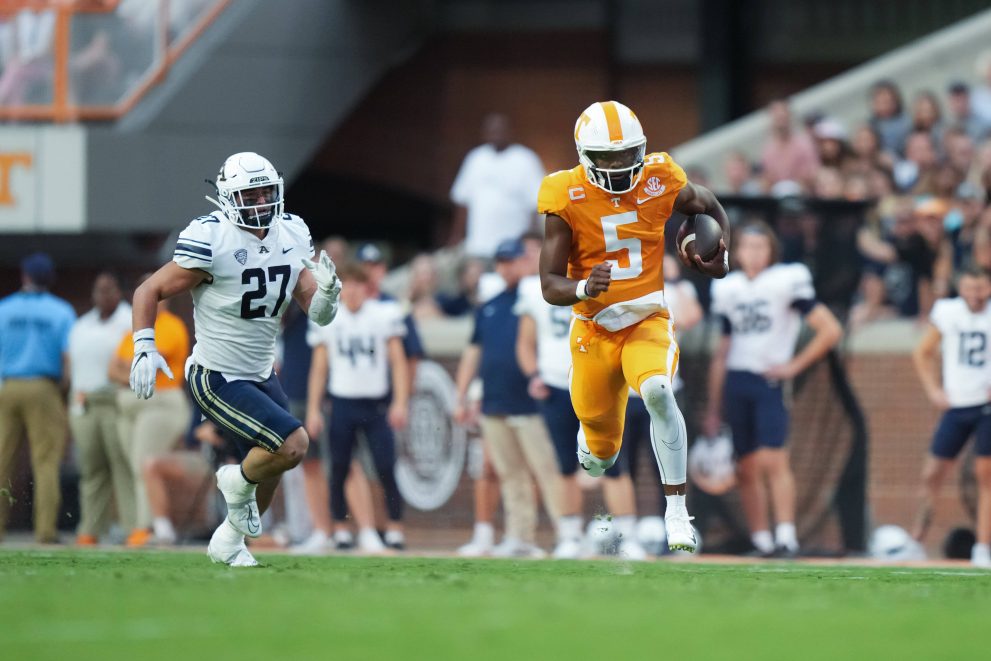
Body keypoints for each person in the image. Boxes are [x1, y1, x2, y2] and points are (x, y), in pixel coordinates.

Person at [127, 152, 342, 567]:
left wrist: (330, 295)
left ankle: (229, 539)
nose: (261, 201)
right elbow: (147, 290)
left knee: (274, 465)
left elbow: (318, 312)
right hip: (216, 374)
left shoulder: (291, 232)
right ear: (228, 198)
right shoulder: (213, 239)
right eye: (251, 193)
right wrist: (143, 346)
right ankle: (234, 480)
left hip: (261, 372)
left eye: (266, 192)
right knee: (292, 445)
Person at [538, 100, 731, 552]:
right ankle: (596, 439)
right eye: (609, 157)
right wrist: (585, 287)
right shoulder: (565, 194)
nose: (622, 164)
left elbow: (709, 204)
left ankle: (678, 512)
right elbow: (548, 284)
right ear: (586, 156)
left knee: (661, 392)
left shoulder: (660, 176)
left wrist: (722, 253)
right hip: (594, 329)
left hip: (647, 319)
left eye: (629, 153)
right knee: (600, 459)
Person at [704, 222, 842, 557]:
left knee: (773, 460)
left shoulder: (785, 281)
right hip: (737, 380)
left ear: (772, 251)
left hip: (769, 381)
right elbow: (722, 351)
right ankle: (761, 540)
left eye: (760, 246)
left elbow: (830, 330)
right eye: (747, 246)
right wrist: (712, 406)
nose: (753, 253)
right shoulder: (729, 287)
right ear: (736, 252)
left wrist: (794, 366)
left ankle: (786, 536)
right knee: (746, 467)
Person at [515, 257, 648, 560]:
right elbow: (525, 341)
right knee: (564, 464)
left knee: (614, 463)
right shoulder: (536, 289)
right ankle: (569, 536)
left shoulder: (606, 278)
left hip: (598, 383)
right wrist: (533, 374)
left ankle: (628, 536)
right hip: (556, 383)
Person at [454, 238, 561, 557]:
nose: (506, 267)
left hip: (531, 400)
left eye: (512, 260)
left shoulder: (540, 298)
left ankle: (566, 533)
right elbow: (474, 352)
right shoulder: (491, 304)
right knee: (510, 472)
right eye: (501, 262)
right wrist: (463, 394)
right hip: (495, 398)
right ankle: (520, 537)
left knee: (546, 470)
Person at [306, 263, 409, 551]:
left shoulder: (382, 315)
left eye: (357, 285)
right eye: (347, 285)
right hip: (342, 402)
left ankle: (395, 527)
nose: (352, 292)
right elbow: (319, 369)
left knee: (386, 465)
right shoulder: (329, 317)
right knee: (338, 467)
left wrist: (400, 401)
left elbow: (398, 362)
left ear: (367, 288)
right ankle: (340, 527)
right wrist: (313, 409)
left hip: (375, 403)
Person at [910, 266, 991, 568]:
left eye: (981, 288)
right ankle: (915, 540)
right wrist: (933, 389)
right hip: (957, 404)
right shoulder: (948, 311)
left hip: (986, 406)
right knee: (931, 474)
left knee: (985, 476)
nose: (975, 294)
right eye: (970, 288)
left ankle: (983, 547)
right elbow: (923, 351)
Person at [108, 279, 191, 547]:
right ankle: (134, 525)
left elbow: (149, 368)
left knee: (143, 463)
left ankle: (148, 526)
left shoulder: (170, 325)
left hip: (159, 402)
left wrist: (127, 370)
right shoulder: (133, 329)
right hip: (130, 405)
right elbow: (113, 368)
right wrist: (128, 371)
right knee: (130, 466)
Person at [0, 253, 75, 544]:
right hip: (44, 387)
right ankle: (45, 531)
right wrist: (63, 391)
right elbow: (67, 358)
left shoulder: (4, 308)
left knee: (2, 459)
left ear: (24, 277)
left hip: (9, 386)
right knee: (45, 461)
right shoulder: (61, 311)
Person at [67, 272, 133, 546]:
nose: (103, 296)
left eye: (109, 290)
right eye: (99, 291)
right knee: (91, 468)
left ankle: (132, 528)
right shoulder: (82, 324)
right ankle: (91, 528)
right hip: (85, 400)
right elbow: (72, 364)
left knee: (121, 465)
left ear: (118, 292)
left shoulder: (129, 318)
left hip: (115, 399)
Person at [449, 113, 545, 258]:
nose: (496, 135)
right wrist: (456, 237)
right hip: (478, 247)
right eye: (492, 131)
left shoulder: (526, 159)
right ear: (485, 134)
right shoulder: (475, 158)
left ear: (509, 132)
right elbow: (463, 202)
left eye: (500, 130)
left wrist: (532, 244)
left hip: (513, 250)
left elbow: (536, 204)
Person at [760, 98, 820, 191]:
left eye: (783, 115)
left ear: (789, 115)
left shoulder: (805, 144)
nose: (780, 119)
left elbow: (814, 175)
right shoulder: (768, 149)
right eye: (777, 116)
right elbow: (767, 180)